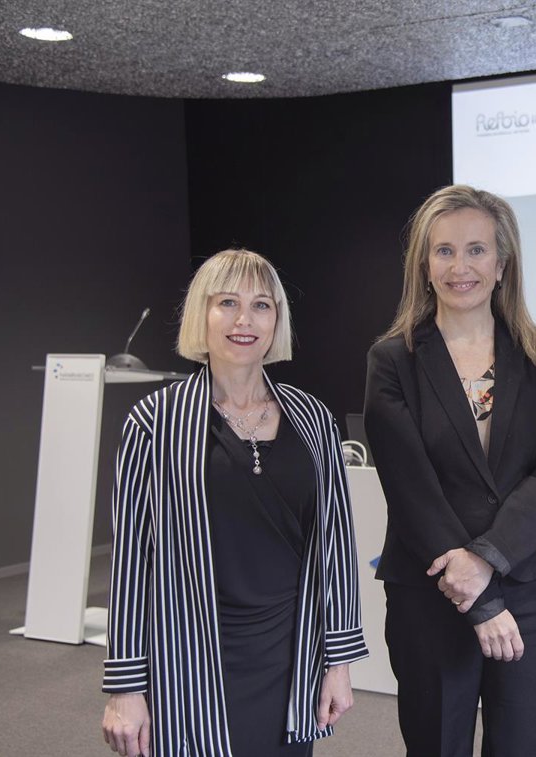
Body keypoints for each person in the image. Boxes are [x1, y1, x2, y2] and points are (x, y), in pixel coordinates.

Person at [100, 249, 368, 757]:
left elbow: (336, 544)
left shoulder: (312, 418)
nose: (245, 319)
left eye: (261, 305)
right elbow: (131, 561)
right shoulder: (154, 422)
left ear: (276, 320)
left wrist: (338, 662)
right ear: (201, 314)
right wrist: (126, 686)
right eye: (227, 302)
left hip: (290, 653)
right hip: (188, 657)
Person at [364, 185, 536, 756]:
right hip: (431, 585)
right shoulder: (392, 360)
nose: (461, 267)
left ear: (502, 264)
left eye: (477, 250)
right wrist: (472, 588)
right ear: (424, 266)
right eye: (445, 251)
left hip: (530, 581)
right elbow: (409, 487)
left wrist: (486, 560)